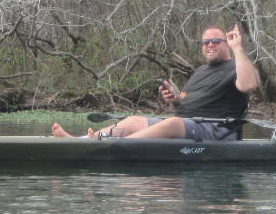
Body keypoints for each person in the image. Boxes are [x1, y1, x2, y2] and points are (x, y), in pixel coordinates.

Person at [51, 25, 261, 140]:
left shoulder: (236, 65)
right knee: (133, 120)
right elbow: (184, 104)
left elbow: (248, 85)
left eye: (216, 41)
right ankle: (81, 141)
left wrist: (238, 48)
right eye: (206, 42)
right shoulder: (200, 71)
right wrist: (174, 101)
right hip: (186, 123)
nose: (210, 45)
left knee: (171, 123)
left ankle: (112, 146)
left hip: (215, 129)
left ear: (227, 44)